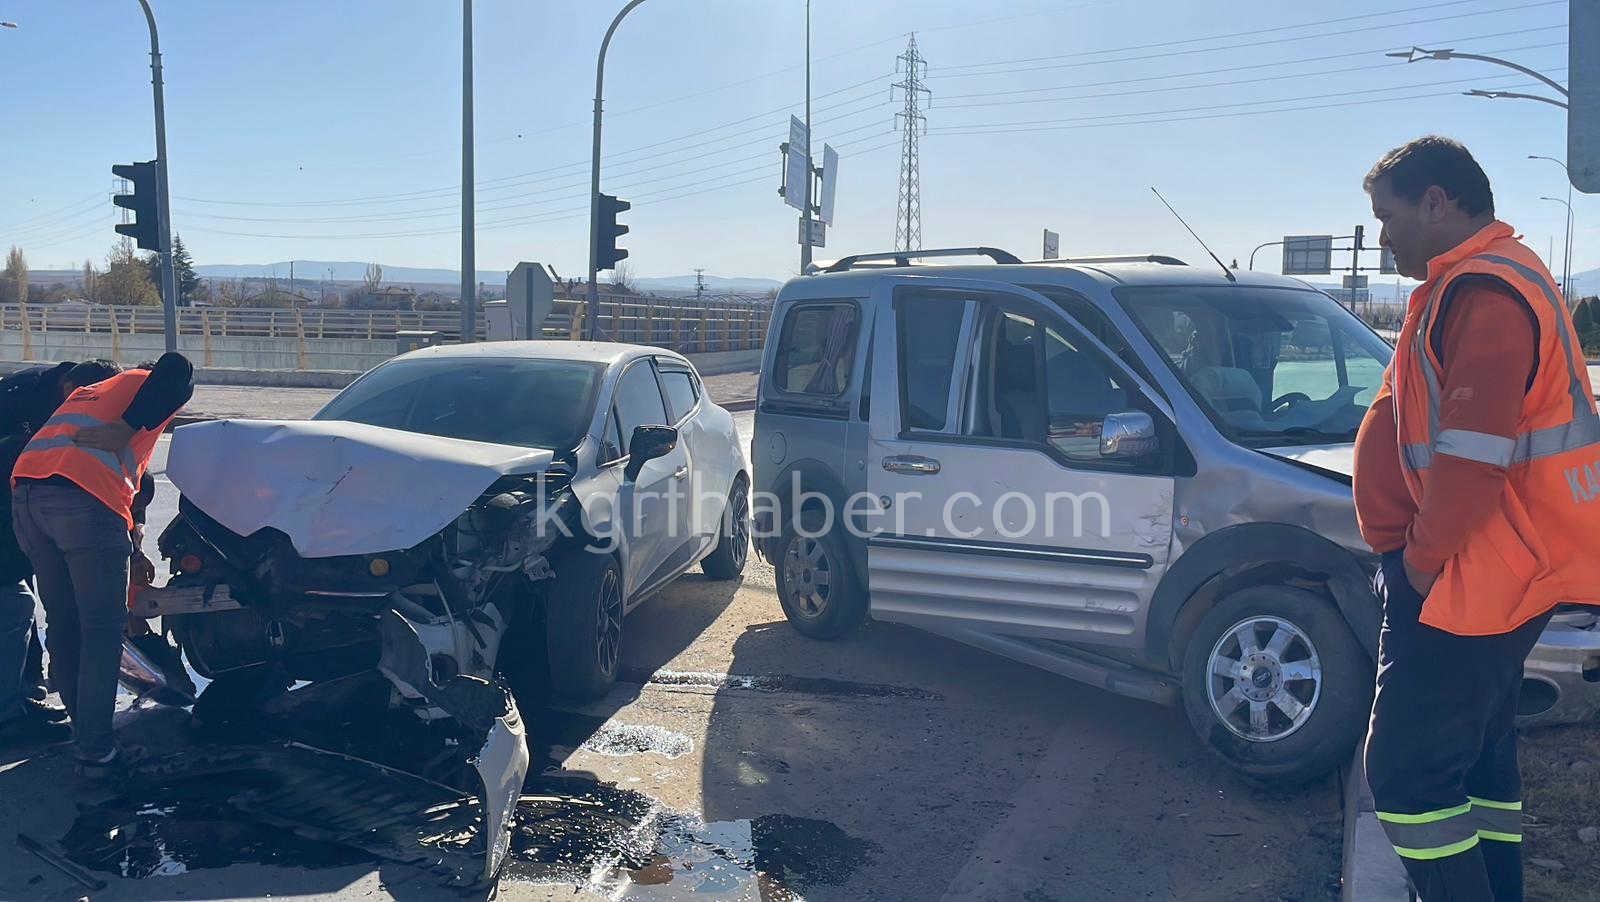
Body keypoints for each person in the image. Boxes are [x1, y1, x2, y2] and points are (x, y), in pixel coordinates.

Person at [1355, 136, 1600, 900]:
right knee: (1480, 763)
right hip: (1493, 570)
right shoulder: (1479, 280)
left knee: (1406, 775)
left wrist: (1421, 567)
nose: (1381, 234)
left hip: (1469, 576)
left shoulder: (1484, 293)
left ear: (1438, 201)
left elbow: (1469, 461)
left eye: (1387, 215)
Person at [10, 352, 192, 774]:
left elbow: (134, 482)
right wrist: (130, 426)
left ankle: (83, 732)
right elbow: (179, 368)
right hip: (82, 504)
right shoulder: (142, 385)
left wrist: (135, 540)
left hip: (29, 498)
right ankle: (96, 749)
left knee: (65, 622)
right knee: (101, 630)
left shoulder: (90, 396)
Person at [0, 360, 123, 749]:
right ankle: (6, 718)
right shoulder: (29, 407)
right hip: (14, 515)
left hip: (19, 513)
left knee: (24, 607)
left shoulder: (46, 414)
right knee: (15, 606)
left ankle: (20, 699)